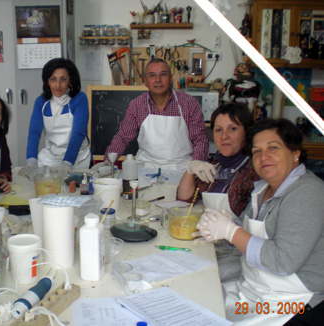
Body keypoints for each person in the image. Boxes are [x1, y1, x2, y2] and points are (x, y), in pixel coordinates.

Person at [196, 118, 324, 325]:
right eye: (256, 151)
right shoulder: (263, 189)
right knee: (199, 302)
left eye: (273, 147)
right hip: (254, 290)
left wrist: (231, 232)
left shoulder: (307, 192)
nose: (264, 156)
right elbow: (250, 239)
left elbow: (283, 261)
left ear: (295, 153)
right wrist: (227, 227)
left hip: (290, 302)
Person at [102, 58, 208, 171]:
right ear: (146, 81)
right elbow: (123, 138)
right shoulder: (137, 105)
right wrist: (107, 162)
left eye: (163, 74)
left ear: (171, 78)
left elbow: (200, 139)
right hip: (145, 168)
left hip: (181, 169)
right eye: (152, 75)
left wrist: (196, 163)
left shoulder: (189, 104)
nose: (158, 80)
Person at [177, 102, 259, 219]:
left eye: (232, 129)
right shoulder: (216, 164)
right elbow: (184, 199)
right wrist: (190, 168)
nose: (224, 136)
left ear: (246, 132)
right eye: (218, 130)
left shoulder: (254, 170)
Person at [20, 57, 90, 180]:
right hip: (50, 158)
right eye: (53, 79)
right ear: (47, 81)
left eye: (63, 80)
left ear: (70, 80)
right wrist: (31, 161)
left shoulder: (79, 99)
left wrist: (67, 162)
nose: (58, 85)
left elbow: (78, 134)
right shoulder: (41, 102)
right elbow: (34, 133)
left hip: (77, 158)